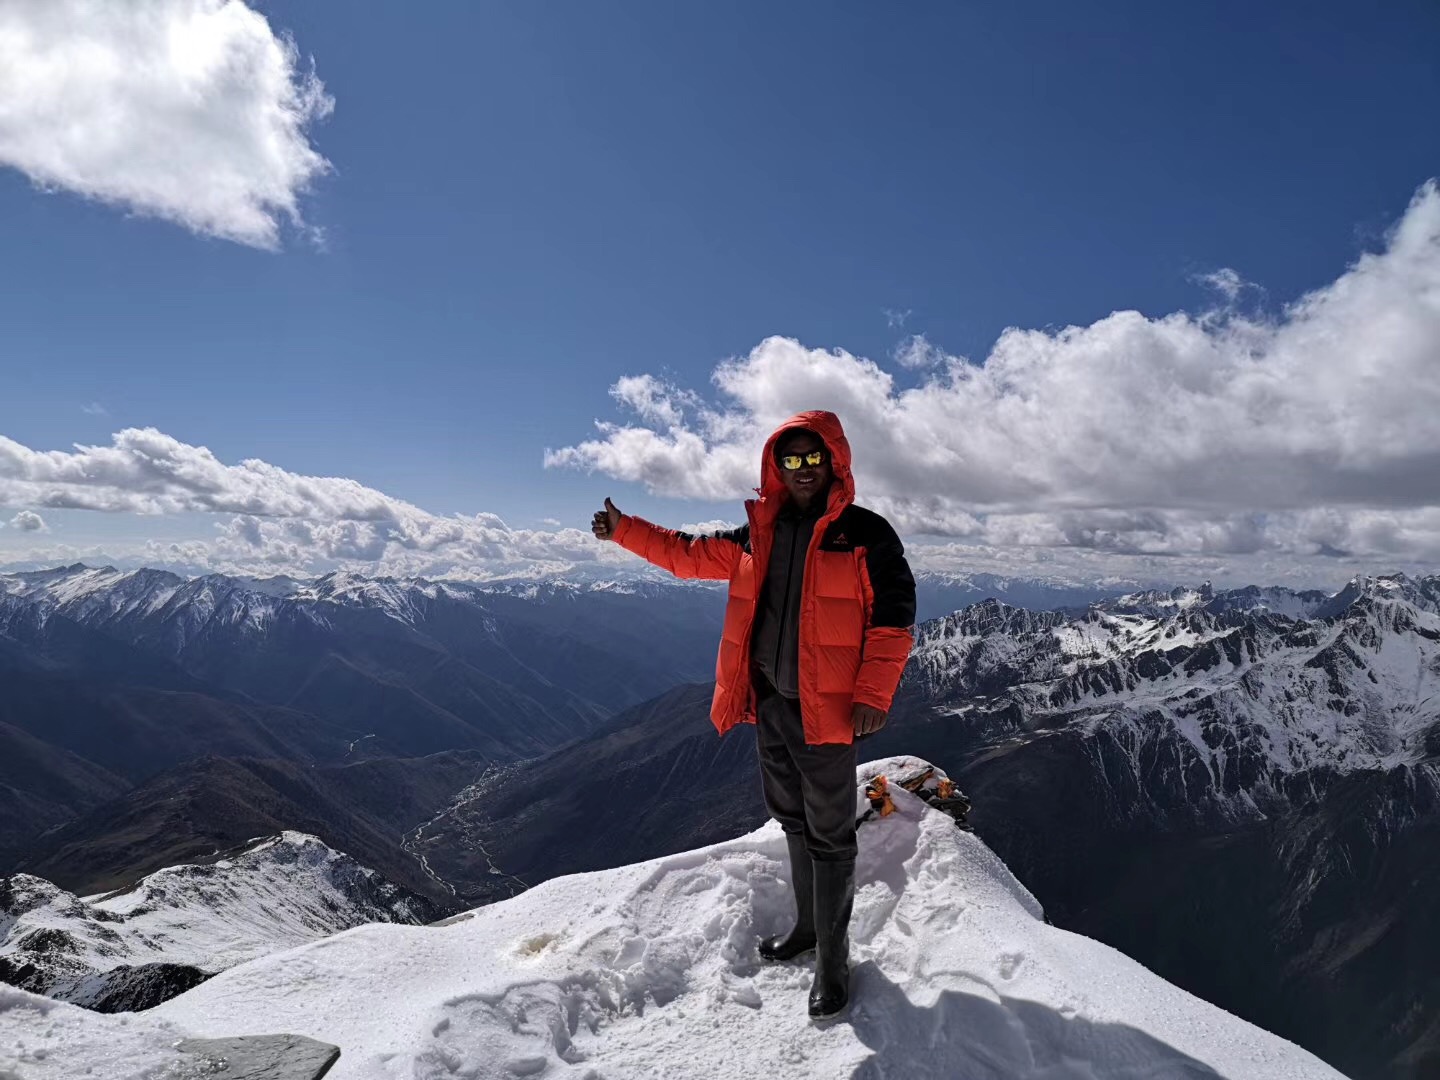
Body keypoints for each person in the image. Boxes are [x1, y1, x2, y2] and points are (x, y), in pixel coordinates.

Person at [591, 410, 916, 1019]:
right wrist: (623, 530)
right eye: (789, 459)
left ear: (834, 461)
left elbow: (895, 619)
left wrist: (873, 696)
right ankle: (807, 930)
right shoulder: (758, 533)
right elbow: (688, 555)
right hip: (770, 701)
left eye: (812, 457)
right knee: (792, 818)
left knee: (829, 832)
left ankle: (833, 962)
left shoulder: (867, 534)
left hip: (827, 710)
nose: (802, 469)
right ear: (775, 466)